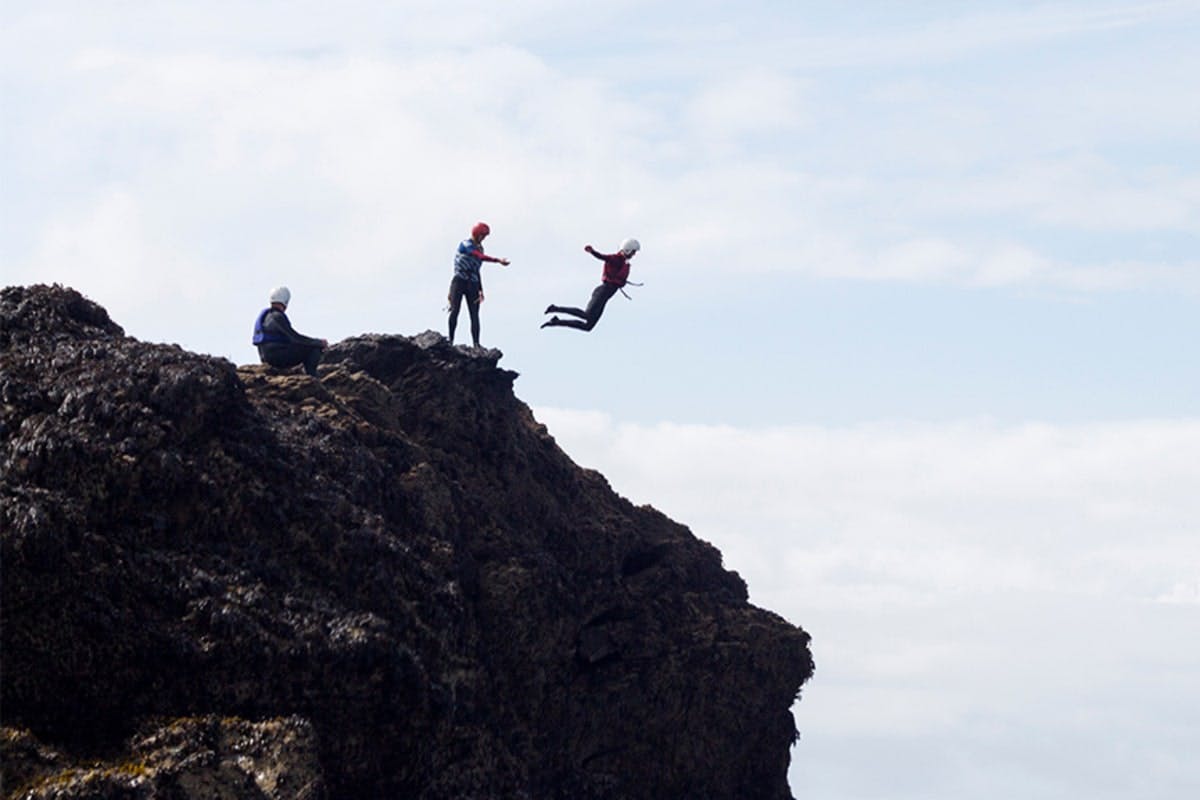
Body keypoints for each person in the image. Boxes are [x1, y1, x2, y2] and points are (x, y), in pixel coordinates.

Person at [541, 238, 640, 332]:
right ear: (627, 249)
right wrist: (592, 251)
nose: (634, 254)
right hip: (602, 291)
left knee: (588, 326)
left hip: (605, 296)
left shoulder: (624, 263)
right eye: (633, 252)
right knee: (586, 315)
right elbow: (602, 257)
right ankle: (555, 308)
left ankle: (556, 322)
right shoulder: (616, 258)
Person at [448, 221, 510, 347]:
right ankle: (450, 340)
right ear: (476, 234)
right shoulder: (466, 244)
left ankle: (476, 344)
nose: (484, 238)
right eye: (483, 235)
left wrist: (481, 290)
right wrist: (497, 260)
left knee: (474, 314)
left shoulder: (480, 248)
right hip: (459, 280)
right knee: (455, 310)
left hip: (473, 283)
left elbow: (477, 269)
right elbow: (478, 256)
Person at [251, 286, 328, 377]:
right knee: (314, 349)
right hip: (276, 357)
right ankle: (312, 376)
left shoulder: (267, 316)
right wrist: (318, 342)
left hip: (265, 356)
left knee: (308, 346)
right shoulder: (278, 316)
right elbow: (295, 338)